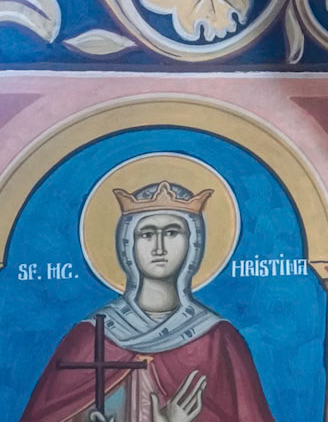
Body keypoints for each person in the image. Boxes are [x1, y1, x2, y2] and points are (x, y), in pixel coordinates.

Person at [17, 179, 276, 422]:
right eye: (147, 234)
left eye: (172, 232)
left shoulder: (219, 342)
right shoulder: (90, 338)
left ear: (193, 243)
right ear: (127, 243)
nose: (159, 247)